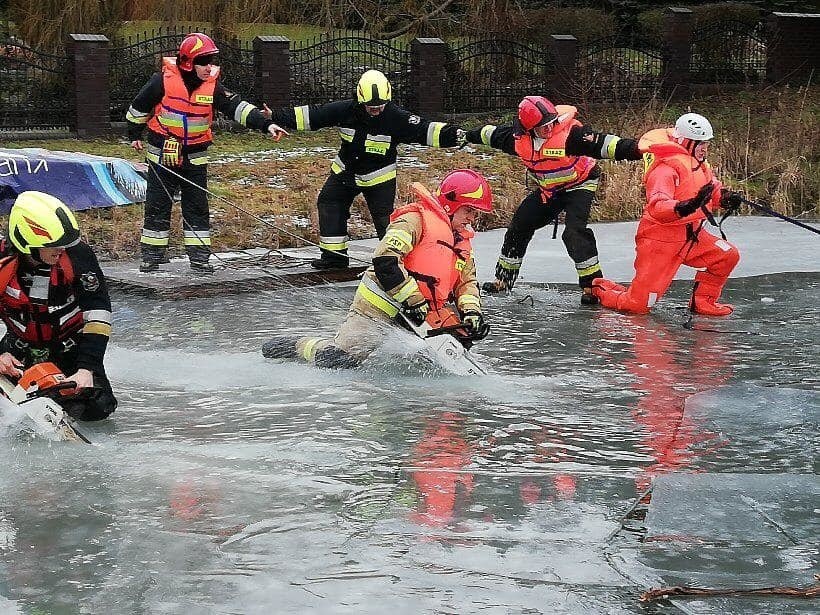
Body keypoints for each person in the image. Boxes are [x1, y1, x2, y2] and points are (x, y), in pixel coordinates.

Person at [261, 169, 493, 367]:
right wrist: (413, 300)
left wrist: (472, 314)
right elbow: (386, 260)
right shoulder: (414, 221)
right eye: (469, 210)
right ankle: (296, 346)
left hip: (421, 311)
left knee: (460, 340)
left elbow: (466, 283)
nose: (472, 218)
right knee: (339, 359)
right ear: (451, 204)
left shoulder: (461, 241)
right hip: (381, 304)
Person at [267, 69, 466, 270]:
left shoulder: (397, 118)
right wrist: (275, 116)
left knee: (385, 222)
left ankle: (393, 262)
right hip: (345, 172)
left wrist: (457, 135)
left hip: (379, 178)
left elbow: (427, 130)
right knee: (329, 204)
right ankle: (334, 259)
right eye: (371, 108)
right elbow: (312, 115)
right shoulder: (345, 110)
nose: (377, 111)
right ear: (360, 100)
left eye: (381, 106)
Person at [126, 32, 288, 274]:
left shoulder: (212, 86)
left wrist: (266, 124)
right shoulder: (161, 81)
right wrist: (134, 135)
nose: (209, 67)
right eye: (205, 61)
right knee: (157, 206)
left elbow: (238, 108)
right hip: (162, 154)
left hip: (195, 157)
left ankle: (200, 258)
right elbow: (138, 108)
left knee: (197, 207)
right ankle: (152, 257)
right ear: (188, 62)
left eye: (211, 61)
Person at [464, 95, 642, 304]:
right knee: (520, 224)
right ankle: (503, 280)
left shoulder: (572, 135)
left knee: (574, 233)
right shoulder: (515, 139)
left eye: (551, 124)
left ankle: (592, 287)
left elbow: (606, 145)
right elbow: (488, 134)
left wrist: (638, 149)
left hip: (580, 184)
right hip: (549, 191)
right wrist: (464, 135)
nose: (549, 129)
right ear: (528, 130)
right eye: (543, 127)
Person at [591, 113, 742, 315]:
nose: (704, 148)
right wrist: (685, 207)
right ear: (686, 141)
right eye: (700, 143)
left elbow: (711, 192)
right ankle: (601, 289)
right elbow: (658, 206)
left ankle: (703, 302)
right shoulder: (664, 169)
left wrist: (725, 198)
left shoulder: (700, 165)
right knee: (638, 306)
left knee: (727, 255)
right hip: (660, 242)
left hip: (692, 237)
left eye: (706, 143)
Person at [0, 191, 116, 421]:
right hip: (18, 346)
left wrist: (86, 368)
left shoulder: (77, 256)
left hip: (70, 345)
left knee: (98, 407)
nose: (61, 250)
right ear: (28, 243)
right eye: (54, 246)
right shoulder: (3, 261)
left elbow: (98, 313)